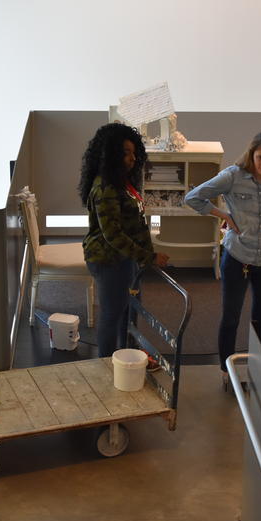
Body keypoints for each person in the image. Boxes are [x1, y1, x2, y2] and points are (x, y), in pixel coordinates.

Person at [185, 130, 261, 385]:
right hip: (237, 256)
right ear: (251, 154)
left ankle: (260, 373)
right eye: (260, 158)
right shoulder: (232, 176)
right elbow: (193, 197)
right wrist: (224, 215)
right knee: (230, 316)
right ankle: (226, 372)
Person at [80, 123, 169, 358]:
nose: (132, 158)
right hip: (108, 260)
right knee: (112, 315)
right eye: (125, 153)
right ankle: (106, 367)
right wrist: (148, 257)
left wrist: (143, 255)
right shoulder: (106, 187)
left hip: (125, 259)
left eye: (133, 152)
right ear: (110, 155)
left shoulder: (122, 181)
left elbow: (135, 223)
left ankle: (128, 358)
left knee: (130, 311)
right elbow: (113, 235)